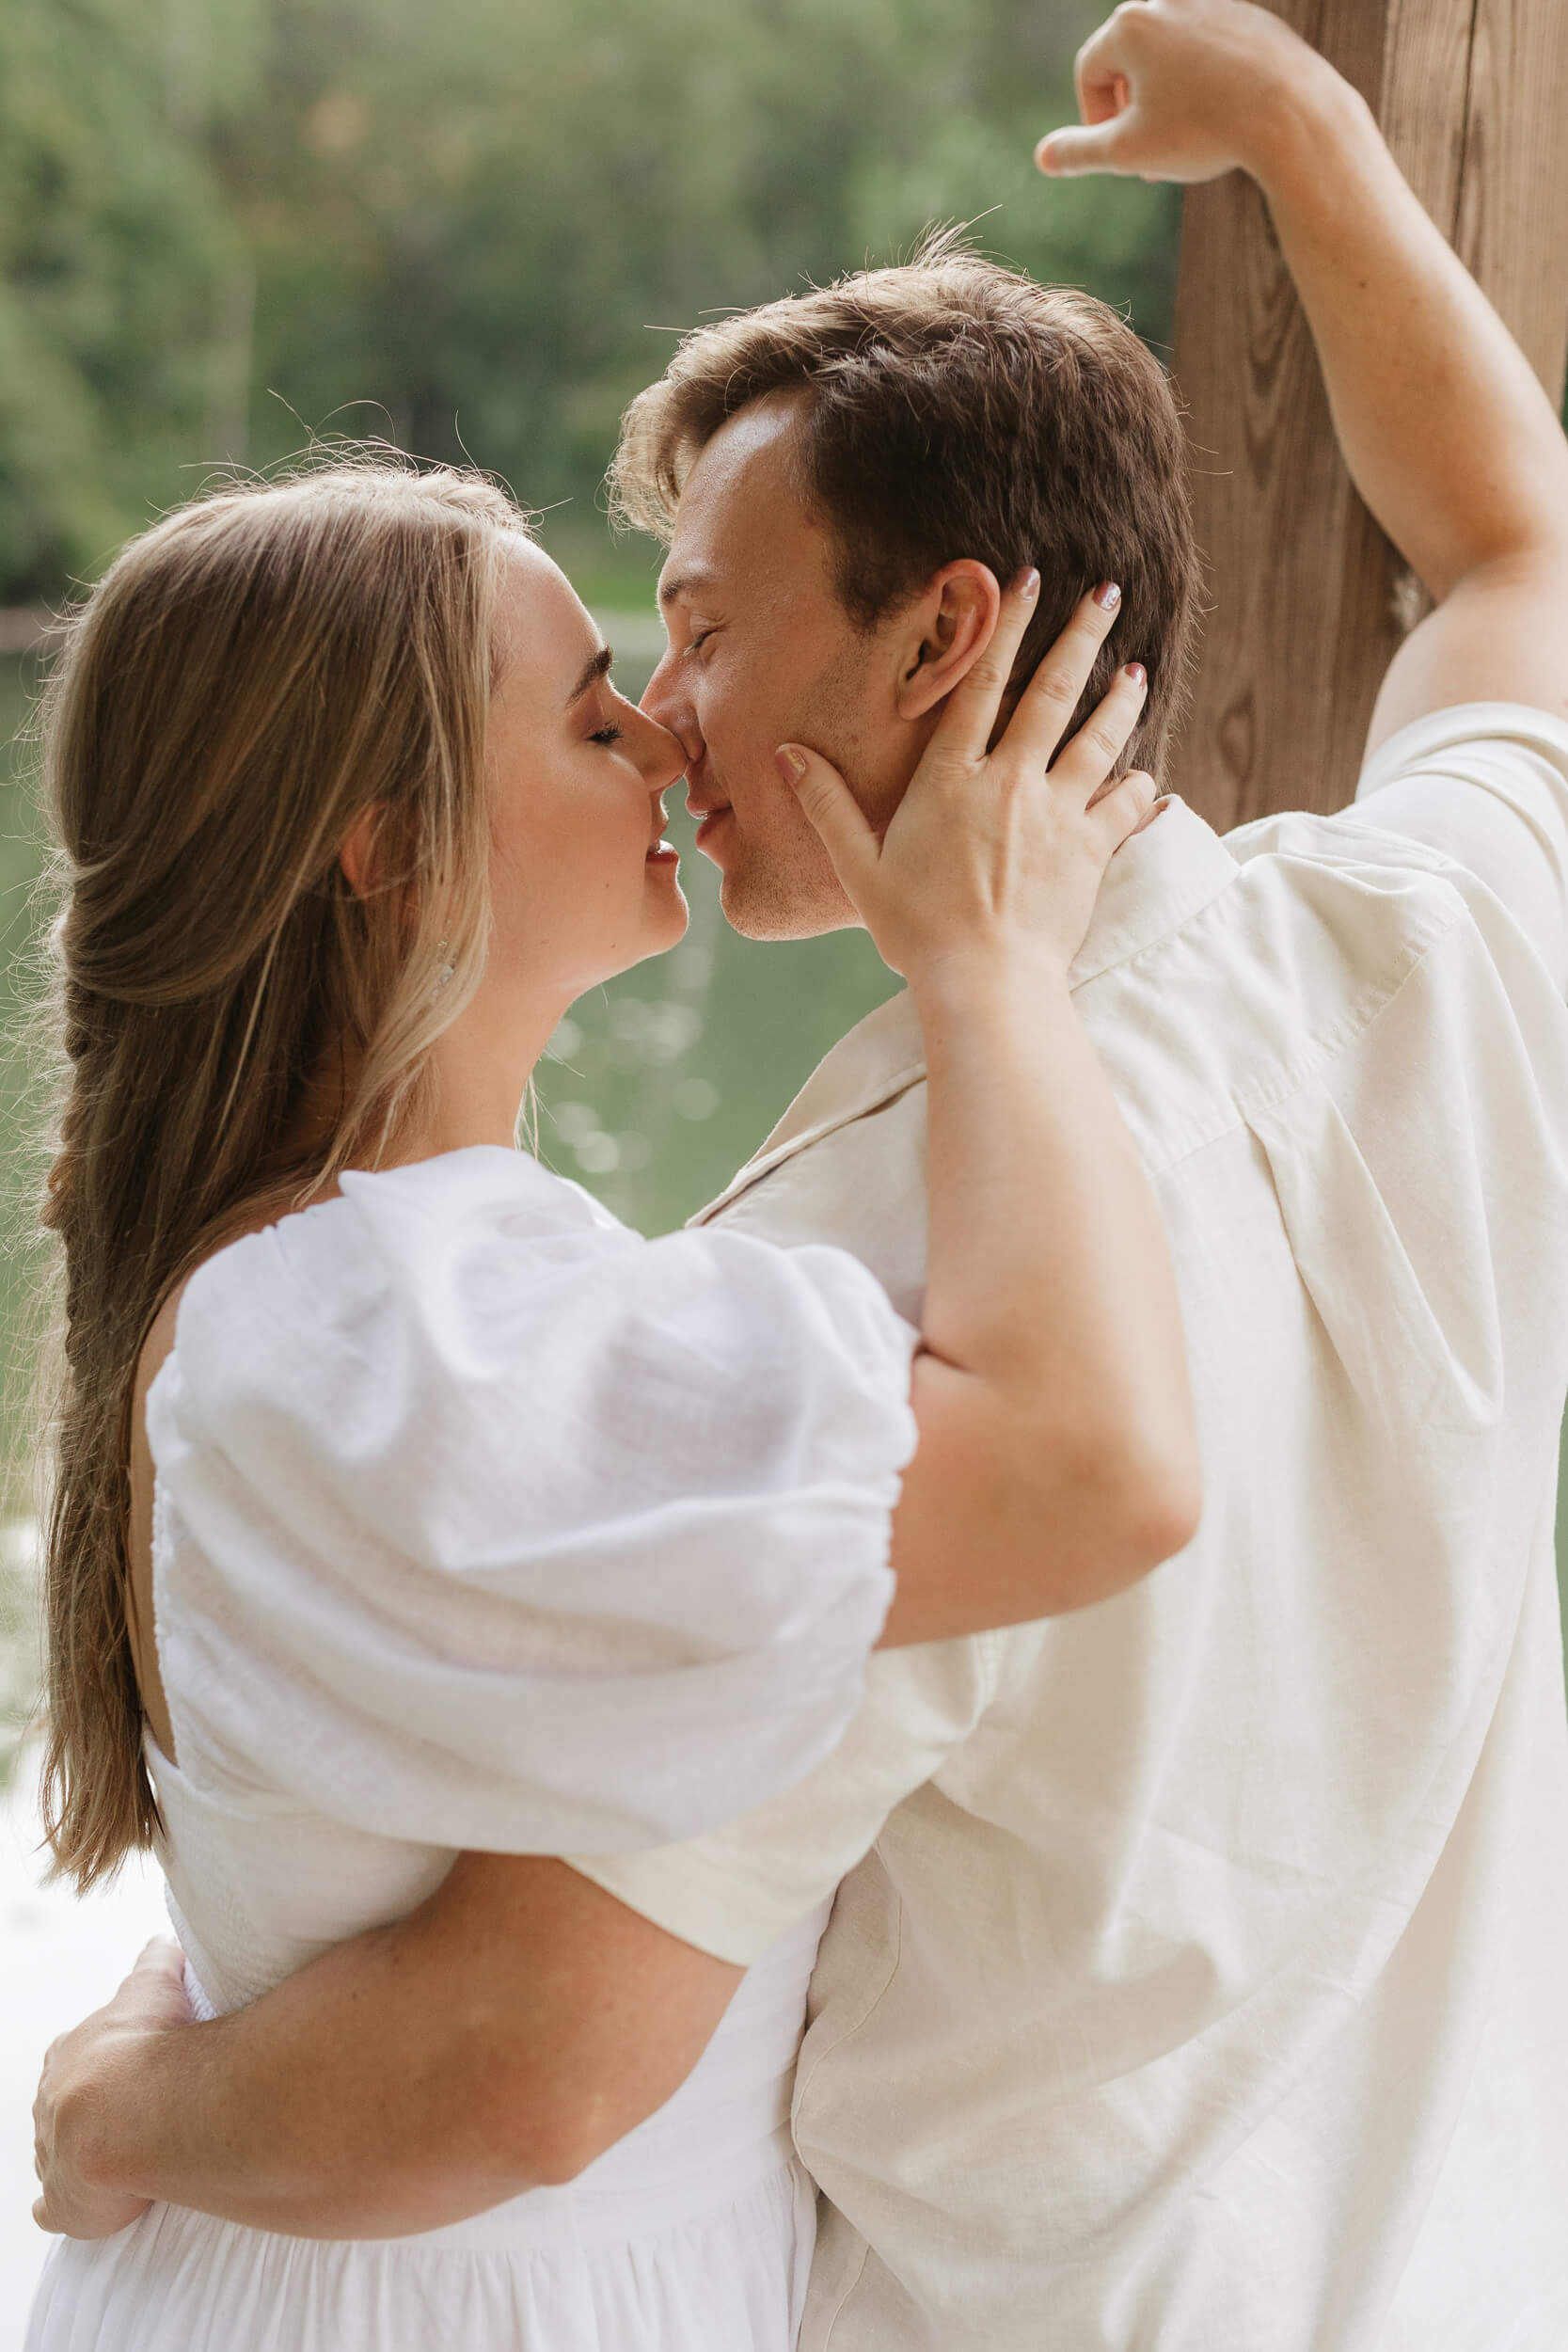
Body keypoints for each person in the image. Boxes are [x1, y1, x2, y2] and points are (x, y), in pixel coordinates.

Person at [33, 0, 1568, 2344]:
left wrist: (110, 2113)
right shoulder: (1439, 951)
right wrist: (1309, 136)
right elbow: (1503, 552)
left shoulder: (898, 1277)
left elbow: (529, 2046)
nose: (662, 711)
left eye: (709, 628)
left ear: (946, 636)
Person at [19, 451, 1196, 2352]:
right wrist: (989, 962)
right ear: (386, 846)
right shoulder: (394, 1330)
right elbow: (1092, 1468)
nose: (660, 740)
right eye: (588, 714)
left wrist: (134, 2086)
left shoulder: (348, 1294)